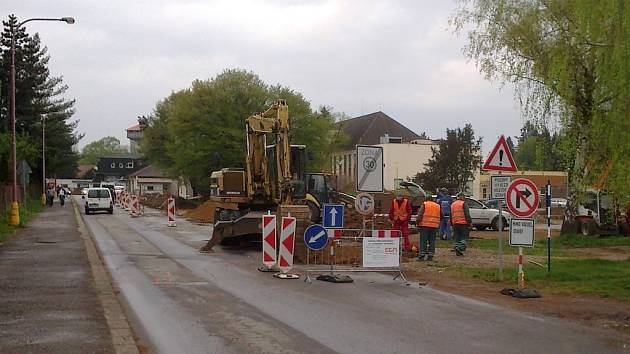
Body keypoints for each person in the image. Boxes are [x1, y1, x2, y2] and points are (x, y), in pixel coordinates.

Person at [416, 193, 441, 261]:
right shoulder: (437, 206)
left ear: (426, 199)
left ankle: (422, 255)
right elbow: (441, 216)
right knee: (432, 241)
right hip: (434, 226)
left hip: (425, 226)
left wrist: (417, 223)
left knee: (423, 241)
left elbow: (420, 215)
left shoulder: (425, 204)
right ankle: (431, 255)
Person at [451, 192, 472, 256]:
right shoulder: (463, 203)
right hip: (463, 223)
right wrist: (469, 222)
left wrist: (452, 223)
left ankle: (456, 247)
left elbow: (451, 214)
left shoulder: (453, 204)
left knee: (457, 237)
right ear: (462, 197)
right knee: (464, 237)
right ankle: (460, 248)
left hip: (455, 223)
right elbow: (467, 214)